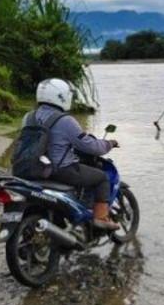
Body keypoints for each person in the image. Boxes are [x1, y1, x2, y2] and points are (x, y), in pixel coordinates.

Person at [31, 78, 120, 230]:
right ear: (61, 96)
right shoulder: (65, 121)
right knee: (102, 178)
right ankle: (100, 218)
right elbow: (90, 146)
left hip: (33, 168)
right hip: (60, 170)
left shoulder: (29, 117)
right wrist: (109, 143)